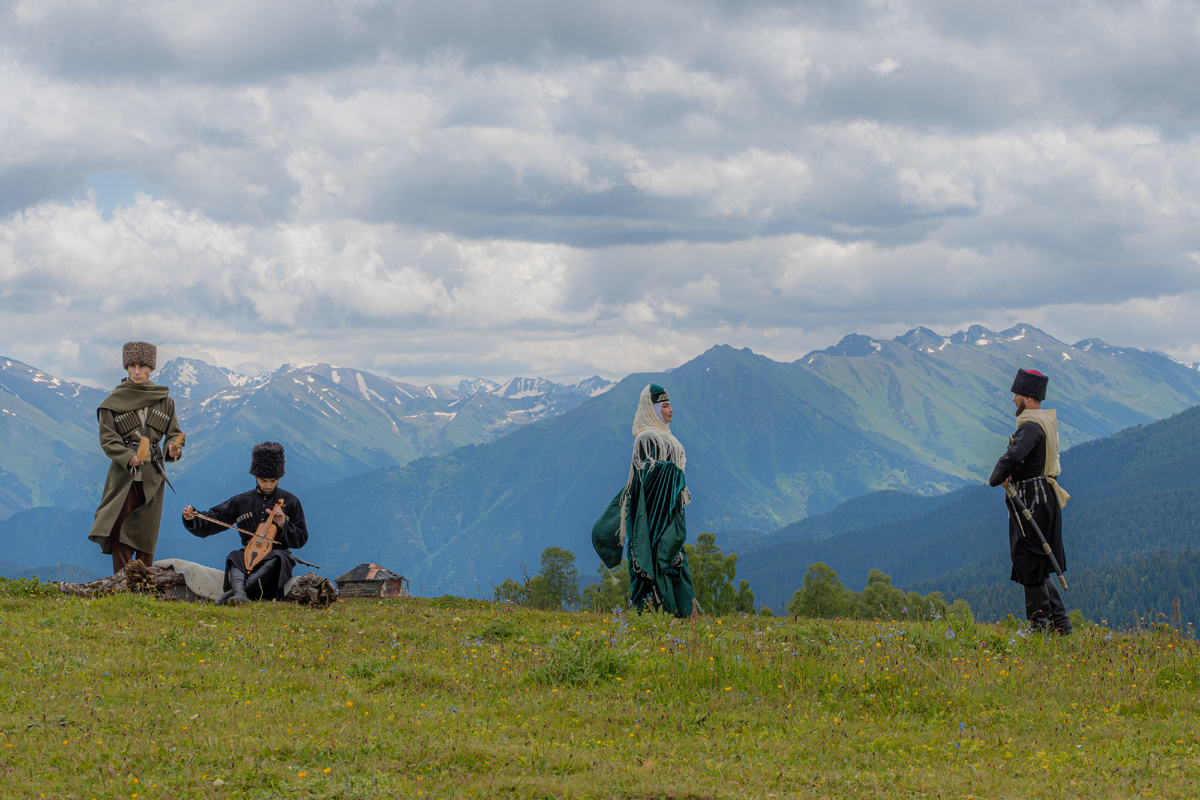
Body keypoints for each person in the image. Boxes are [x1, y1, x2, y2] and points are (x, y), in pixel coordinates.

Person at [592, 383, 697, 617]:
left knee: (674, 558)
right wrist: (671, 473)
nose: (671, 411)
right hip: (649, 518)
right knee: (652, 561)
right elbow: (646, 481)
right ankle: (652, 618)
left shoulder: (668, 439)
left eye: (670, 406)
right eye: (666, 406)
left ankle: (680, 616)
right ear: (653, 409)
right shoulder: (646, 439)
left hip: (669, 514)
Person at [88, 341, 184, 574]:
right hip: (123, 475)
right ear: (126, 368)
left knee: (147, 529)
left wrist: (173, 448)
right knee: (120, 526)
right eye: (132, 366)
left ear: (151, 368)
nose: (137, 371)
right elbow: (109, 440)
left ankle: (144, 582)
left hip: (153, 475)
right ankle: (121, 581)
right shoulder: (113, 402)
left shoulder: (165, 401)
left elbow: (173, 434)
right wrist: (128, 457)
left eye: (142, 366)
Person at [988, 368, 1072, 634]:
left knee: (1028, 560)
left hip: (1032, 500)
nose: (1014, 399)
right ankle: (1060, 625)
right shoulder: (1042, 422)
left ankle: (1040, 629)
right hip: (1040, 496)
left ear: (1029, 398)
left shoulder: (1031, 425)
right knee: (1036, 563)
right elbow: (1028, 460)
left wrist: (997, 476)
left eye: (1017, 394)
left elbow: (1014, 455)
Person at [182, 442, 309, 606]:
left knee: (277, 557)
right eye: (263, 480)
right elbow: (214, 519)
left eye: (273, 480)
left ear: (279, 478)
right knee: (235, 556)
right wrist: (192, 517)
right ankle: (240, 593)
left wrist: (283, 524)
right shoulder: (241, 501)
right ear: (255, 476)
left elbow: (302, 538)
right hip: (249, 556)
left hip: (277, 563)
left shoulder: (291, 502)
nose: (268, 485)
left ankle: (236, 592)